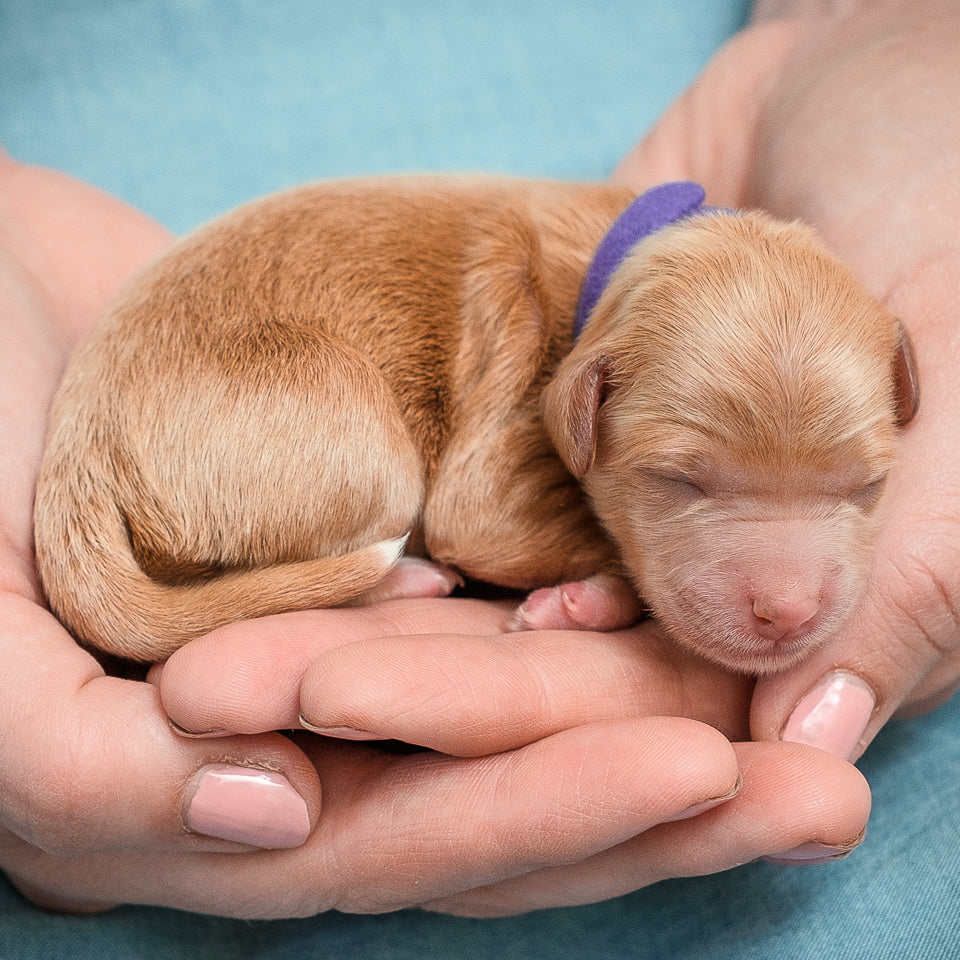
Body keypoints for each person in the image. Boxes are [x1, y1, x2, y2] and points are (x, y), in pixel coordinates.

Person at [0, 0, 956, 925]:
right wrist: (619, 567)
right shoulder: (548, 332)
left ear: (901, 378)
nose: (788, 596)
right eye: (684, 480)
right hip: (217, 413)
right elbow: (479, 523)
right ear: (586, 404)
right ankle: (313, 562)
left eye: (858, 485)